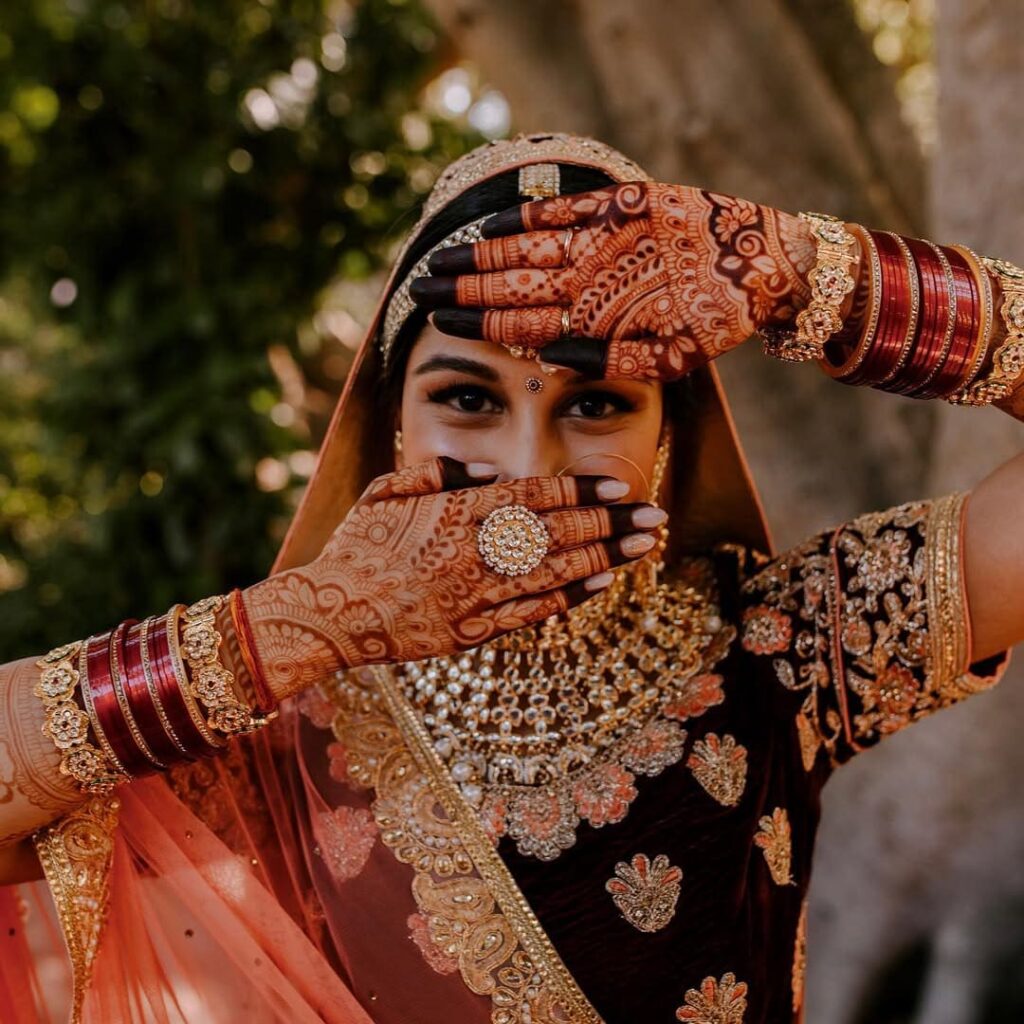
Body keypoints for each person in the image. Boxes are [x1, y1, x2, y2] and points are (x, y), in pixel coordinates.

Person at [0, 132, 1021, 1024]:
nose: (529, 471)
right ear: (394, 426)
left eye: (596, 404)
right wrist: (308, 622)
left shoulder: (782, 640)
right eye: (468, 398)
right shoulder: (283, 725)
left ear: (667, 437)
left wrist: (811, 275)